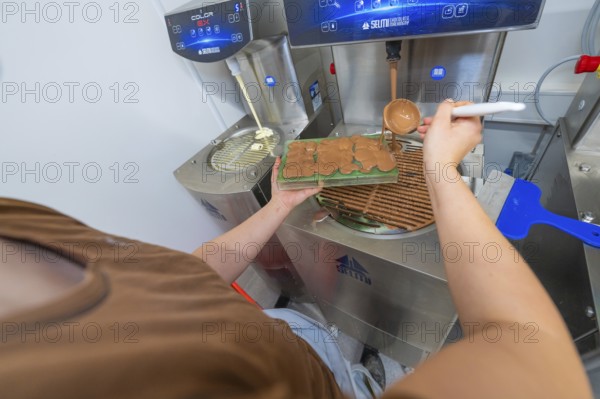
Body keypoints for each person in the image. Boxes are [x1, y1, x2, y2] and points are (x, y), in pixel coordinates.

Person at [0, 100, 592, 398]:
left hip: (283, 333)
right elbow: (529, 356)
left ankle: (357, 358)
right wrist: (441, 168)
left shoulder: (19, 223)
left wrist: (280, 203)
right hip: (314, 378)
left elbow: (186, 275)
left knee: (311, 330)